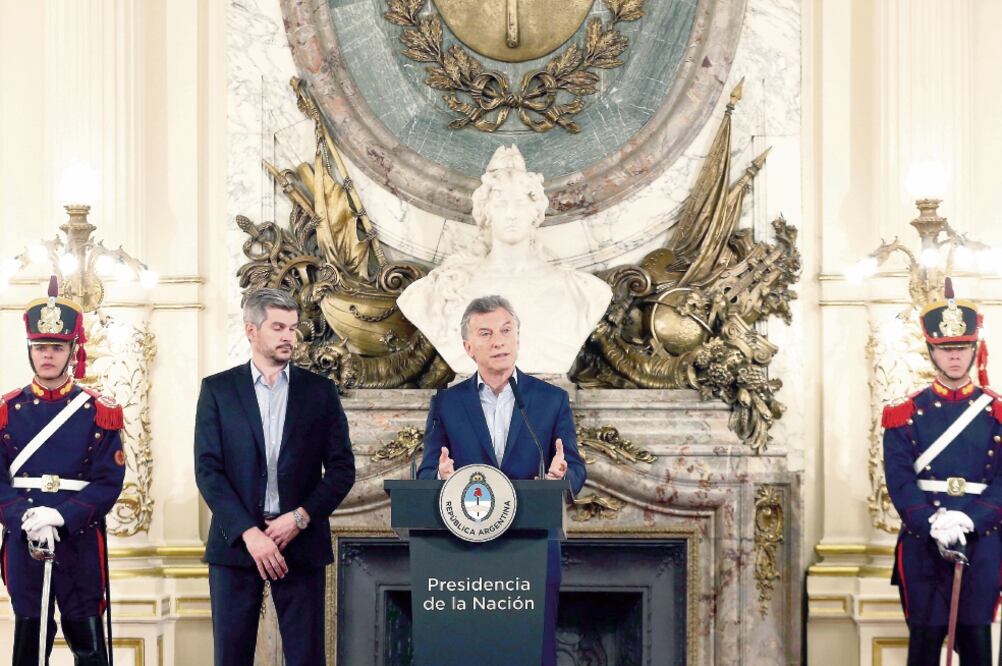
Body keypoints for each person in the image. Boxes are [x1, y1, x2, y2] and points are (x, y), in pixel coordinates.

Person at [416, 294, 587, 666]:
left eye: (506, 331)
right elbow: (428, 470)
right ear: (468, 347)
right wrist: (441, 477)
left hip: (532, 554)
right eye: (487, 333)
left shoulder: (550, 400)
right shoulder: (446, 403)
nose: (499, 341)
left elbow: (574, 468)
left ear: (517, 339)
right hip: (466, 556)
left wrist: (560, 475)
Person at [194, 288, 356, 666]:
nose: (288, 336)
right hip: (236, 545)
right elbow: (208, 470)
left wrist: (299, 518)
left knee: (306, 658)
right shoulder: (218, 390)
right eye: (278, 327)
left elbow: (341, 469)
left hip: (301, 544)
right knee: (231, 659)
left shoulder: (320, 391)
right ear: (252, 331)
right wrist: (250, 534)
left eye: (293, 328)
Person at [398, 145, 611, 375]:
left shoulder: (581, 291)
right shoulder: (443, 289)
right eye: (501, 204)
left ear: (536, 212)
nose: (511, 213)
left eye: (520, 203)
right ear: (486, 212)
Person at [0, 276, 125, 666]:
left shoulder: (98, 409)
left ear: (73, 350)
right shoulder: (6, 410)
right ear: (29, 351)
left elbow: (109, 481)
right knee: (29, 644)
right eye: (40, 348)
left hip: (79, 540)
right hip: (25, 540)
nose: (48, 356)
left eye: (56, 347)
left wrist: (61, 516)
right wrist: (28, 517)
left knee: (87, 646)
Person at [883, 278, 1002, 666]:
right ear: (932, 351)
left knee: (977, 650)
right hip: (924, 544)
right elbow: (899, 480)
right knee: (922, 650)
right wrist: (933, 521)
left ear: (975, 350)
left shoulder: (997, 411)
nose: (955, 356)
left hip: (981, 543)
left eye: (963, 347)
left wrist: (970, 517)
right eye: (946, 348)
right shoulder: (904, 412)